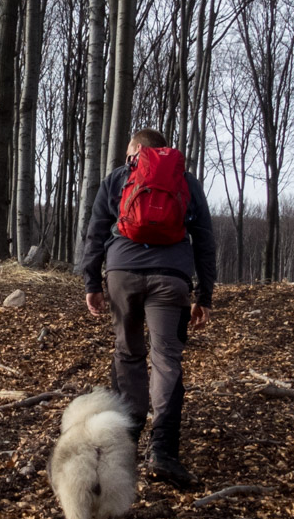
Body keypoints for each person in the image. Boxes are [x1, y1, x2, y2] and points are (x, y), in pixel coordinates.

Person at [78, 128, 217, 489]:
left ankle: (123, 444)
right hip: (171, 278)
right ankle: (163, 452)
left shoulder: (117, 179)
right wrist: (205, 294)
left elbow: (95, 232)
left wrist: (92, 282)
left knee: (128, 355)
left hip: (122, 273)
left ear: (137, 150)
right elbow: (204, 239)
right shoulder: (185, 181)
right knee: (166, 359)